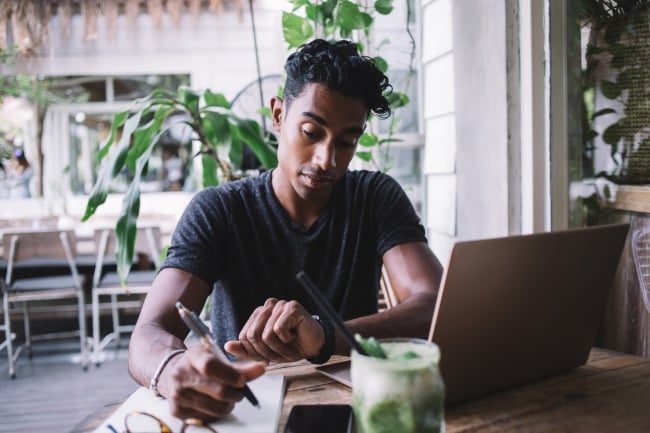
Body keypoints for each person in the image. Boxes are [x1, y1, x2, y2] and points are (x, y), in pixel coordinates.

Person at [128, 39, 444, 421]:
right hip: (245, 415)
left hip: (355, 412)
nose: (326, 159)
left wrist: (323, 334)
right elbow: (149, 332)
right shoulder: (220, 210)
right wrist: (169, 370)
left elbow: (433, 306)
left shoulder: (374, 197)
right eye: (312, 132)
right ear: (278, 116)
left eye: (346, 141)